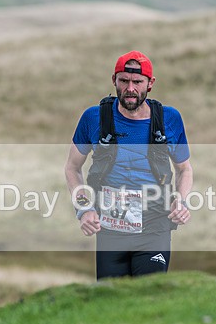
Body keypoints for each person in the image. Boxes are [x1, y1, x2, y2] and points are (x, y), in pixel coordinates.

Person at [64, 50, 193, 279]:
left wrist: (181, 202)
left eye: (137, 82)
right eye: (124, 80)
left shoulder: (169, 120)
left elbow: (184, 169)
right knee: (110, 299)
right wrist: (84, 209)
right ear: (114, 80)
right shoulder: (94, 118)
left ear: (150, 83)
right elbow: (72, 168)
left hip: (155, 225)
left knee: (149, 295)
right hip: (110, 228)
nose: (130, 88)